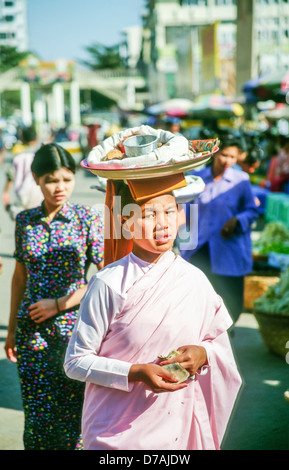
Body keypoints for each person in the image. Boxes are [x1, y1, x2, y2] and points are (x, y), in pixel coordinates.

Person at [64, 176, 242, 450]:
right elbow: (75, 362)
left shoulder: (194, 280)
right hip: (115, 431)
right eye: (148, 214)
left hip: (177, 428)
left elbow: (215, 340)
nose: (163, 223)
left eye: (170, 211)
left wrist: (203, 353)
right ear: (125, 221)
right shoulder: (108, 283)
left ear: (181, 215)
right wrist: (135, 372)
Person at [4, 142, 104, 450]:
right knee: (36, 413)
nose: (59, 187)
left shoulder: (88, 218)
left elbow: (104, 278)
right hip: (31, 332)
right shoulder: (25, 221)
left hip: (75, 332)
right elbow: (19, 278)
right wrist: (11, 332)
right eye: (50, 180)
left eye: (66, 179)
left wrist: (59, 304)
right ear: (36, 179)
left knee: (75, 412)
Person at [180, 136, 259, 325]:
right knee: (199, 299)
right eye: (224, 155)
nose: (227, 161)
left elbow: (252, 210)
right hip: (199, 249)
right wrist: (181, 249)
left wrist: (237, 220)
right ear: (215, 152)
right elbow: (184, 214)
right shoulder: (197, 178)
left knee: (232, 302)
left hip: (228, 251)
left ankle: (225, 332)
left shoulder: (241, 181)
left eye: (232, 157)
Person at [2, 126, 43, 219]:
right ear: (36, 138)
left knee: (24, 219)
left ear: (22, 138)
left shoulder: (18, 155)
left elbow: (10, 175)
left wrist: (6, 192)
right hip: (41, 191)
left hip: (23, 193)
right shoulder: (41, 153)